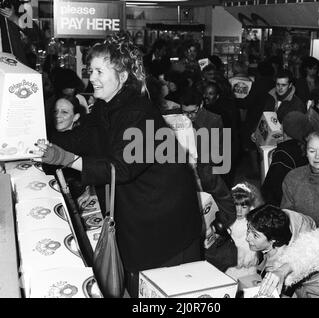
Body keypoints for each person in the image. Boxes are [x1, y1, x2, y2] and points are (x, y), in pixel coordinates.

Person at [33, 33, 202, 298]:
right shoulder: (104, 107)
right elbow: (82, 137)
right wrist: (41, 147)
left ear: (122, 77)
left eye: (100, 71)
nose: (93, 78)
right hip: (140, 213)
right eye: (91, 71)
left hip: (164, 221)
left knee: (156, 290)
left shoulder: (139, 113)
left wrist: (68, 160)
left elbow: (120, 169)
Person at [245, 204, 319, 298]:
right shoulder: (277, 223)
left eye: (255, 235)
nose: (247, 238)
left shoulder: (284, 263)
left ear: (273, 240)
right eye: (248, 230)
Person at [261, 111, 312, 206]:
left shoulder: (283, 154)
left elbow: (271, 188)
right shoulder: (309, 149)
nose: (280, 128)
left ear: (287, 130)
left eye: (283, 126)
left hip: (285, 208)